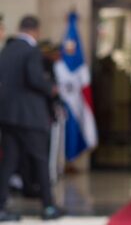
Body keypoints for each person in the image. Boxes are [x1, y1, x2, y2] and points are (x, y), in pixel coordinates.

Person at [0, 16, 65, 221]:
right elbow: (35, 79)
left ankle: (0, 207)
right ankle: (48, 207)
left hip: (7, 116)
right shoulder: (32, 51)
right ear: (35, 31)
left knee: (8, 162)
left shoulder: (6, 50)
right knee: (40, 160)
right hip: (29, 117)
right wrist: (51, 88)